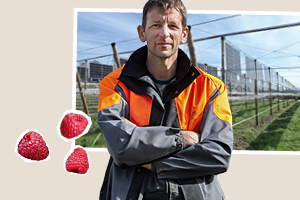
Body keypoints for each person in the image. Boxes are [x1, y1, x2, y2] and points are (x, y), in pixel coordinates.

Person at [97, 0, 233, 199]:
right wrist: (182, 139)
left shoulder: (211, 88)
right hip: (129, 193)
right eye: (156, 25)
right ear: (142, 33)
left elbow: (218, 155)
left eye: (172, 26)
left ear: (184, 34)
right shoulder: (114, 84)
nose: (164, 33)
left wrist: (150, 159)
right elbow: (120, 146)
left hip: (195, 193)